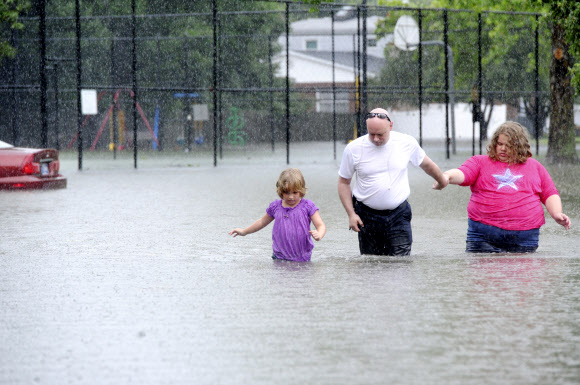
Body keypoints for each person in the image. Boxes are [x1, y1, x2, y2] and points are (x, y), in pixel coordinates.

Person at [433, 121, 571, 253]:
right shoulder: (480, 162)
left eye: (509, 145)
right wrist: (446, 177)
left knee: (523, 275)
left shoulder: (535, 166)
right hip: (483, 237)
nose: (503, 148)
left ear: (519, 146)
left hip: (524, 239)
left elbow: (550, 193)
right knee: (483, 274)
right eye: (499, 144)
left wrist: (556, 213)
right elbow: (462, 173)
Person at [338, 108, 448, 256]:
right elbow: (343, 182)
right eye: (372, 134)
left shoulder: (406, 142)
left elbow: (426, 164)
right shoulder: (353, 149)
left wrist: (442, 181)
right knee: (370, 263)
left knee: (400, 263)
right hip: (367, 217)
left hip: (398, 214)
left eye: (380, 134)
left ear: (390, 126)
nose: (376, 139)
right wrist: (351, 214)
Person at [229, 168, 326, 261]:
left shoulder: (307, 206)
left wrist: (319, 234)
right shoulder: (276, 207)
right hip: (279, 256)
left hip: (302, 256)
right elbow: (262, 222)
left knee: (300, 277)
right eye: (286, 193)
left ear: (301, 191)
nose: (291, 197)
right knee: (279, 275)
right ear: (281, 191)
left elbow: (321, 225)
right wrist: (244, 231)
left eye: (295, 192)